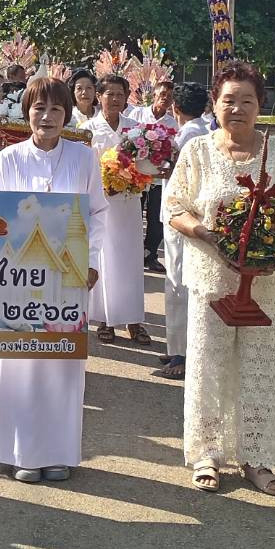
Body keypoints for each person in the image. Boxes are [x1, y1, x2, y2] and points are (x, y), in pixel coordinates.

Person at [165, 63, 275, 495]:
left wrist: (271, 247)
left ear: (260, 105)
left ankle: (257, 457)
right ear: (214, 104)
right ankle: (207, 455)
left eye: (247, 100)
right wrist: (208, 234)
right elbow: (175, 208)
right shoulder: (198, 152)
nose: (237, 109)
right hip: (212, 278)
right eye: (228, 100)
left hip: (265, 282)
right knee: (208, 367)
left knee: (260, 370)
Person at [0, 76, 105, 483]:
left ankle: (58, 452)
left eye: (56, 109)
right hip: (19, 278)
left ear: (66, 114)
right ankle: (21, 451)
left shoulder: (83, 157)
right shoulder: (9, 158)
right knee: (20, 363)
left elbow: (97, 214)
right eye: (39, 108)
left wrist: (90, 264)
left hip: (70, 279)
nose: (47, 116)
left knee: (60, 365)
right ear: (27, 112)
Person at [84, 75, 149, 344]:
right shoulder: (87, 129)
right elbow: (85, 168)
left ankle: (134, 320)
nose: (115, 99)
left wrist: (134, 180)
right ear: (99, 96)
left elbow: (146, 164)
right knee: (102, 260)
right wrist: (105, 183)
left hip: (128, 203)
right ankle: (104, 320)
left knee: (130, 261)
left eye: (120, 94)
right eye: (109, 94)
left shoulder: (136, 130)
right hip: (100, 203)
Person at [153, 82, 210, 380]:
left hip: (181, 215)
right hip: (190, 215)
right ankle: (178, 346)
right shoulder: (205, 129)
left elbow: (177, 173)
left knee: (179, 284)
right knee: (179, 282)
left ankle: (183, 354)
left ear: (176, 107)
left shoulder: (188, 134)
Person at [131, 80, 177, 270]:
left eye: (169, 96)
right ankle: (132, 254)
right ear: (154, 95)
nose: (165, 98)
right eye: (163, 94)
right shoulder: (137, 114)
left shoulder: (172, 123)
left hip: (159, 178)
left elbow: (174, 151)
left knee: (156, 218)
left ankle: (150, 255)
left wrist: (166, 162)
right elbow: (127, 140)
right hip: (136, 177)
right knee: (134, 215)